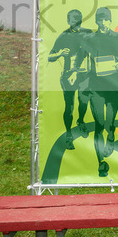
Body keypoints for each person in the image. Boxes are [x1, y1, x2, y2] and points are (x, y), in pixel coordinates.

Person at [78, 7, 118, 177]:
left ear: (110, 21)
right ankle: (101, 163)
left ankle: (111, 135)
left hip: (114, 86)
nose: (102, 23)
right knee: (99, 124)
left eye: (105, 19)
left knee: (109, 123)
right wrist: (79, 71)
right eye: (100, 20)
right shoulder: (89, 39)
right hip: (96, 87)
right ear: (96, 21)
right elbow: (81, 60)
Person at [48, 9, 92, 150]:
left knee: (84, 101)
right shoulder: (63, 36)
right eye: (73, 20)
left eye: (79, 19)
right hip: (68, 76)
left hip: (84, 75)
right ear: (68, 21)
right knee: (70, 106)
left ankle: (81, 121)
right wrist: (60, 53)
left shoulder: (88, 33)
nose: (76, 22)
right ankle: (68, 134)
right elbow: (50, 57)